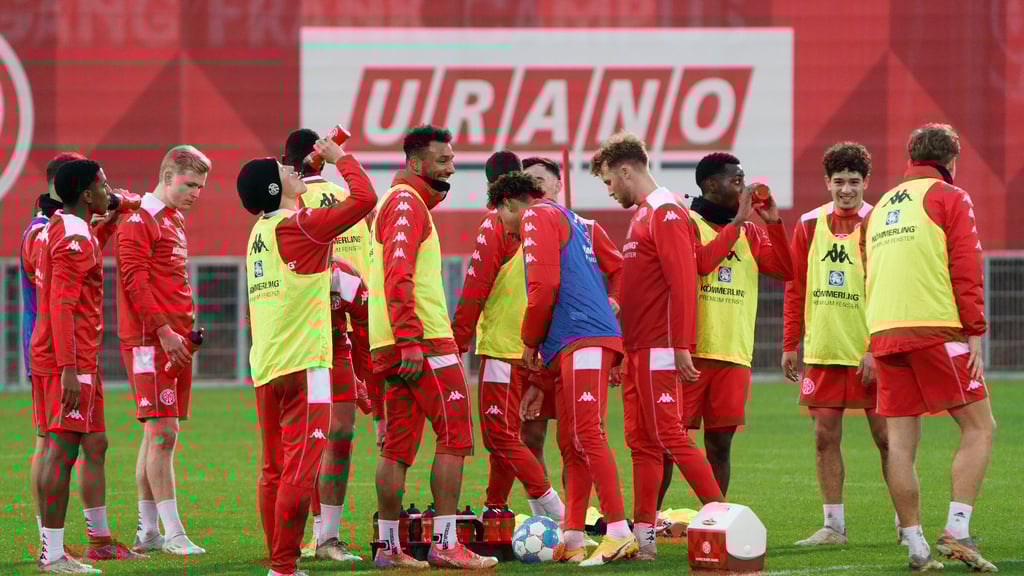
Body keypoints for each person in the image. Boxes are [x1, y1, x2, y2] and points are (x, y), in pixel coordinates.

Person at [238, 134, 376, 576]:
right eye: (283, 171)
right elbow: (364, 199)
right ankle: (283, 566)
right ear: (275, 189)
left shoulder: (259, 234)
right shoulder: (300, 226)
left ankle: (280, 555)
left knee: (273, 468)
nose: (292, 170)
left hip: (267, 366)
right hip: (305, 366)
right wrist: (341, 159)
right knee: (302, 468)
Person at [861, 123, 996, 572]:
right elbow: (966, 265)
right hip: (934, 329)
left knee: (900, 442)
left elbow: (871, 275)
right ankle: (957, 531)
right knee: (980, 426)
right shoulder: (950, 197)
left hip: (885, 333)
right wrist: (974, 330)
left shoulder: (879, 207)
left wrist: (870, 339)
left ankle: (916, 547)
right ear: (951, 162)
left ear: (911, 158)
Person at [590, 132, 730, 560]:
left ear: (626, 170)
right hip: (637, 348)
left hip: (660, 347)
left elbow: (685, 277)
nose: (609, 190)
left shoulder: (666, 212)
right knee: (641, 443)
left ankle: (727, 521)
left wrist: (682, 343)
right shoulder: (644, 216)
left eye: (609, 181)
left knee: (670, 435)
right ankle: (645, 540)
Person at [369, 125, 497, 570]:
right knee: (455, 435)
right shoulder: (406, 203)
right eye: (443, 160)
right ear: (416, 164)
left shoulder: (397, 202)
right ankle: (445, 542)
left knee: (397, 445)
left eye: (452, 159)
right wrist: (409, 339)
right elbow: (397, 272)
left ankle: (389, 549)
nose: (451, 166)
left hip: (396, 340)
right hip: (420, 341)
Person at [492, 171, 636, 567]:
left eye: (500, 218)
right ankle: (573, 535)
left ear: (508, 203)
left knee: (588, 433)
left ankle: (620, 532)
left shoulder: (536, 217)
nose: (505, 230)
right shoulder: (573, 219)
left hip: (583, 334)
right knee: (572, 439)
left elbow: (543, 289)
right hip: (577, 339)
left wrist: (528, 340)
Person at [31, 159, 144, 573]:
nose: (109, 190)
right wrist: (67, 368)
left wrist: (118, 208)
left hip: (80, 357)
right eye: (103, 184)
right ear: (86, 194)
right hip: (70, 358)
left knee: (95, 444)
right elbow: (62, 304)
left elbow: (91, 249)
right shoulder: (73, 239)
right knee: (61, 451)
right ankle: (53, 554)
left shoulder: (68, 228)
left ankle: (97, 541)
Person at [781, 142, 893, 546]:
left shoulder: (881, 222)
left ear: (867, 182)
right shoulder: (809, 224)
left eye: (854, 181)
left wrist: (876, 349)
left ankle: (905, 524)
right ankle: (833, 527)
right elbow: (795, 286)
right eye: (839, 181)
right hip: (824, 350)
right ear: (827, 182)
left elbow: (889, 291)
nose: (846, 189)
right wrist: (790, 341)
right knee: (824, 437)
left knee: (887, 439)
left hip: (870, 353)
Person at [451, 151, 564, 522]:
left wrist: (458, 342)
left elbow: (475, 288)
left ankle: (556, 509)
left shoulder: (494, 224)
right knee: (510, 434)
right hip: (535, 347)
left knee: (499, 435)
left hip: (502, 348)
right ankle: (495, 507)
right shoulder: (546, 224)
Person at [114, 145, 212, 556]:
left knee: (155, 435)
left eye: (201, 187)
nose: (196, 193)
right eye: (190, 184)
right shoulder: (140, 221)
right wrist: (165, 331)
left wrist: (181, 333)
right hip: (149, 342)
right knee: (163, 433)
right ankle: (173, 534)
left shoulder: (172, 218)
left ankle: (148, 532)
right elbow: (133, 282)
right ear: (167, 174)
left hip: (173, 341)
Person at [680, 152, 795, 496]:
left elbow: (786, 271)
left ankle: (715, 522)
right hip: (690, 355)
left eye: (744, 181)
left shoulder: (753, 234)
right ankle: (648, 526)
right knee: (669, 447)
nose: (744, 189)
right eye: (737, 182)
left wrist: (773, 222)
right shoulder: (686, 224)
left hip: (733, 354)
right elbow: (701, 265)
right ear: (710, 185)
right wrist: (740, 222)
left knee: (720, 447)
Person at [283, 128, 368, 562]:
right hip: (307, 342)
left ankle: (324, 536)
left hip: (332, 341)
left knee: (333, 436)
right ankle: (304, 536)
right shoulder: (283, 210)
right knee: (318, 439)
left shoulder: (295, 204)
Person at [20, 152, 85, 561]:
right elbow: (57, 296)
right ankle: (51, 542)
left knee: (56, 442)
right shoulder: (43, 231)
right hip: (51, 349)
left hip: (47, 346)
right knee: (53, 444)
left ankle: (50, 540)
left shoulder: (49, 228)